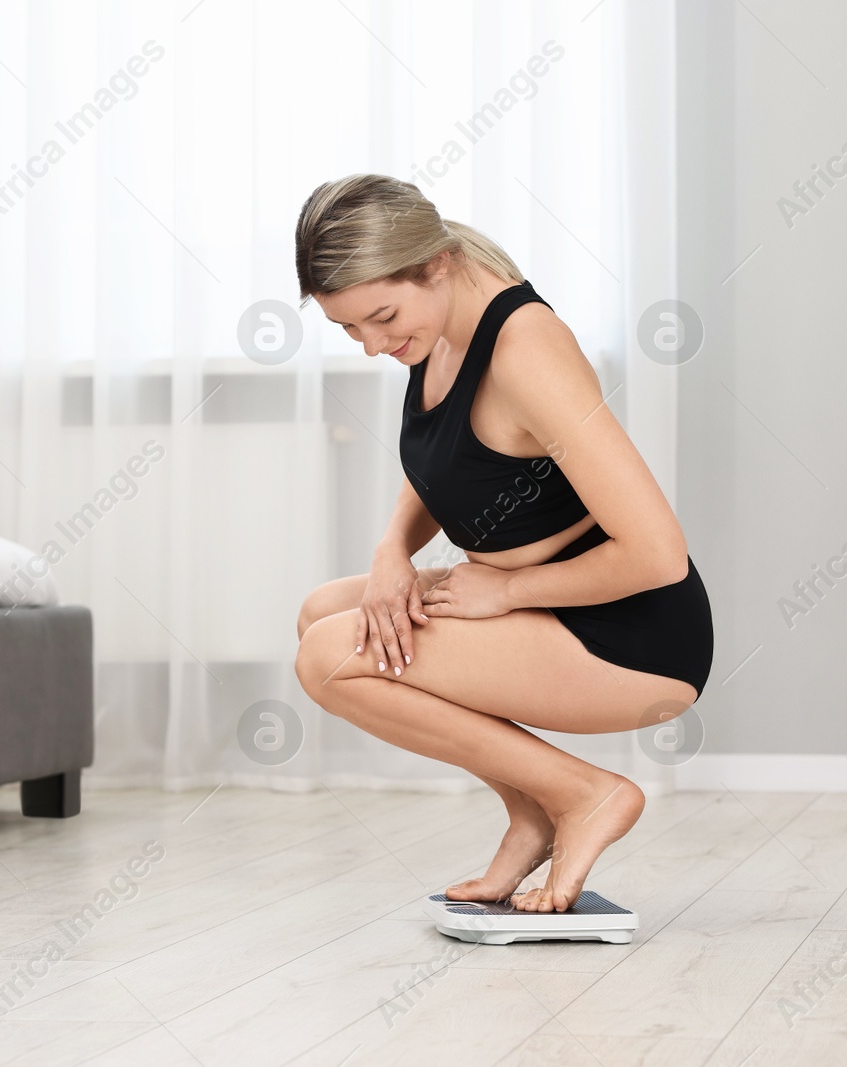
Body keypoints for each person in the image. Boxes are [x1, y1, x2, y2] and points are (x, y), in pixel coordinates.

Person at [292, 174, 714, 913]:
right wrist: (393, 553)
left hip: (632, 634)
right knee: (322, 611)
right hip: (542, 610)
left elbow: (657, 553)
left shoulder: (524, 349)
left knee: (330, 657)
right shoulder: (437, 328)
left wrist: (507, 590)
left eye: (381, 318)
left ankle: (585, 794)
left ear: (435, 265)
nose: (372, 346)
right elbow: (447, 462)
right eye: (350, 329)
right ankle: (529, 812)